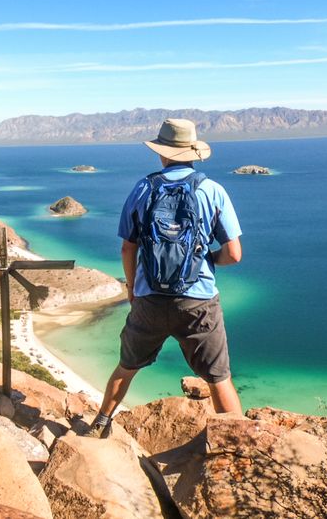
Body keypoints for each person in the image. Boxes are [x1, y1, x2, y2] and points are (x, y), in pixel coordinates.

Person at [88, 118, 243, 437]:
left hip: (149, 299)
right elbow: (234, 254)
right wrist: (206, 260)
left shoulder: (143, 188)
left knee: (127, 366)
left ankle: (100, 423)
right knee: (219, 377)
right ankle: (239, 443)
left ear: (162, 153)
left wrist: (132, 290)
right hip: (198, 302)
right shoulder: (212, 190)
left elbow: (127, 249)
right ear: (191, 151)